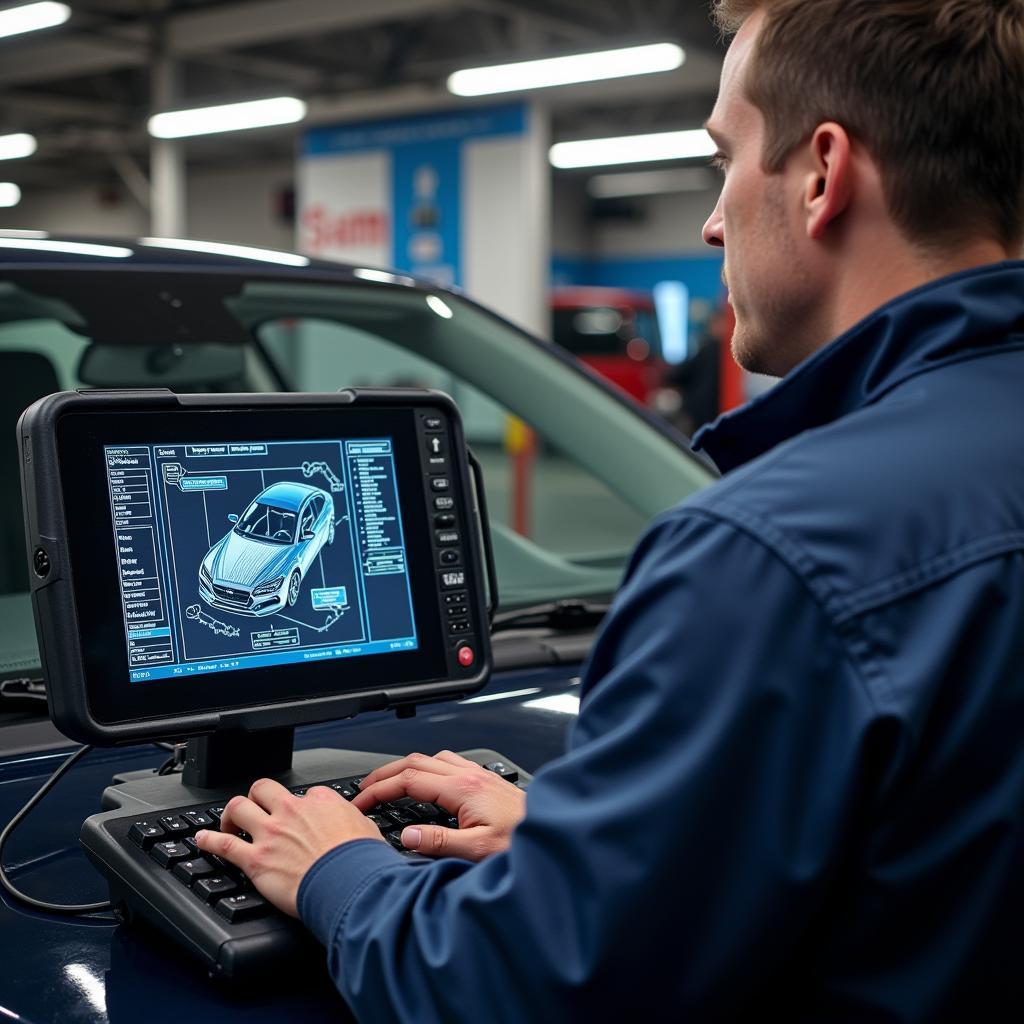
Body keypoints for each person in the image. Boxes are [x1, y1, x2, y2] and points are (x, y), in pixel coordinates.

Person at [197, 1, 1024, 1019]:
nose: (714, 220)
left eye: (724, 158)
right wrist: (596, 841)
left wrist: (337, 871)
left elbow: (510, 990)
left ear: (820, 174)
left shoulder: (773, 556)